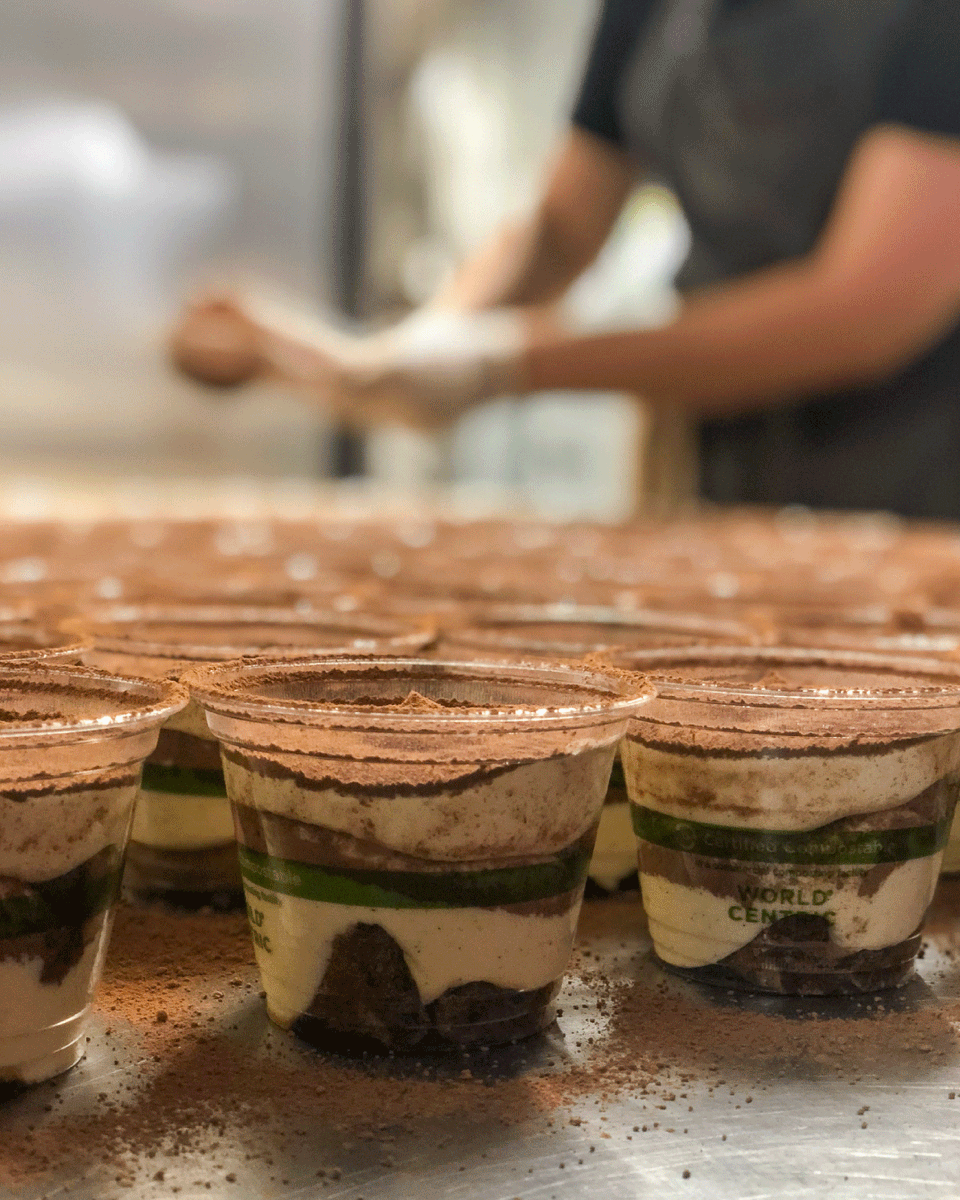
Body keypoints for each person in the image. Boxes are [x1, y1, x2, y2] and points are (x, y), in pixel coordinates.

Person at [171, 0, 960, 519]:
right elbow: (562, 226)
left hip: (913, 484)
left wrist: (505, 363)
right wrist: (406, 353)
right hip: (727, 473)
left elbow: (865, 313)